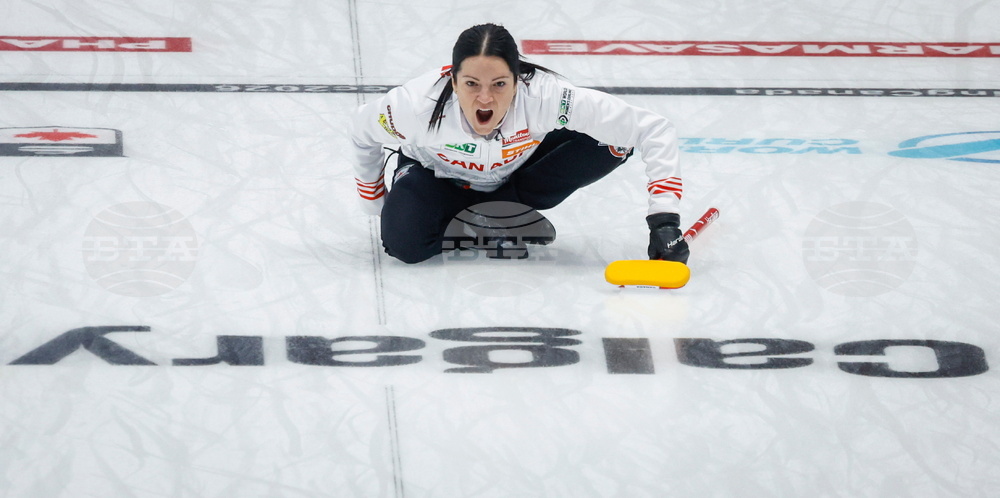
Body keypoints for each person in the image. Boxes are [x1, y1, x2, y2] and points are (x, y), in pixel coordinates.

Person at [350, 23, 689, 265]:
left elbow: (652, 129)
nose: (485, 98)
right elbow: (361, 130)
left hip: (515, 178)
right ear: (452, 80)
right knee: (404, 245)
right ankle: (479, 221)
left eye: (499, 84)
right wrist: (378, 204)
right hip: (435, 178)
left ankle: (498, 211)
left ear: (518, 80)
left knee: (615, 141)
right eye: (470, 84)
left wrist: (664, 221)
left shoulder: (547, 96)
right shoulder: (414, 106)